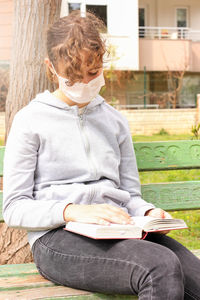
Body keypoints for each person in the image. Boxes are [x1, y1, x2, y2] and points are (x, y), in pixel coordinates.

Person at [3, 10, 200, 300]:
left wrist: (146, 212)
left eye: (92, 73)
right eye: (72, 77)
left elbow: (129, 193)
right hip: (58, 237)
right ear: (51, 67)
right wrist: (72, 210)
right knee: (159, 267)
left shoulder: (114, 121)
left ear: (102, 62)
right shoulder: (30, 121)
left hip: (119, 230)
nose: (84, 83)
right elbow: (14, 207)